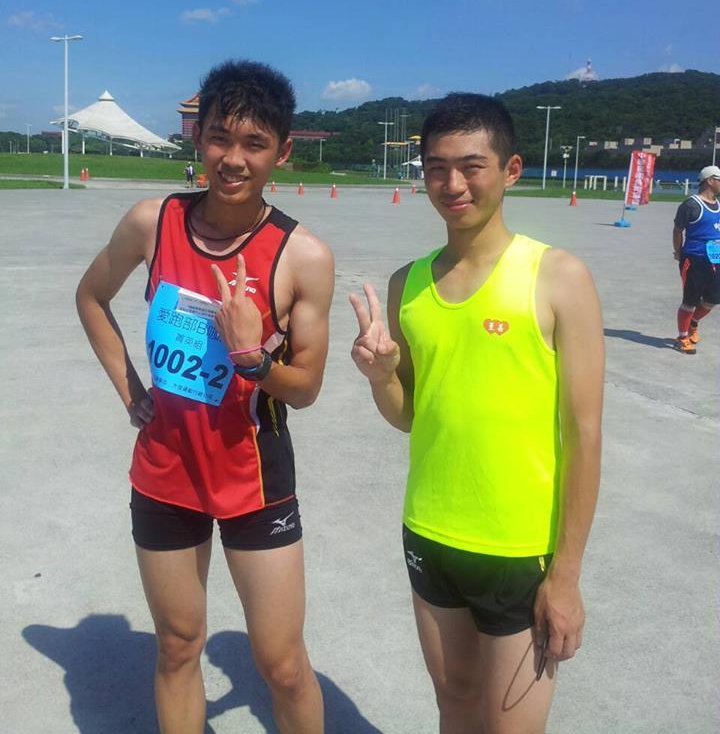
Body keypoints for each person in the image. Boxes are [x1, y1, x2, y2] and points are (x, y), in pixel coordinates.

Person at [76, 60, 333, 734]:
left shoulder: (301, 255)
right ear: (198, 138)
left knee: (282, 664)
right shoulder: (153, 222)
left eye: (254, 144)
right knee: (177, 646)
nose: (233, 158)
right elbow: (91, 296)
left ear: (281, 151)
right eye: (220, 137)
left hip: (255, 478)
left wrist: (253, 359)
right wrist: (130, 389)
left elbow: (306, 387)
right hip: (165, 471)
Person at [350, 93, 603, 734]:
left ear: (511, 169)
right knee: (454, 705)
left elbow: (584, 435)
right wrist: (381, 377)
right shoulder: (407, 284)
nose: (452, 184)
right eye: (436, 168)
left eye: (471, 166)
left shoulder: (558, 277)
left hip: (520, 550)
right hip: (429, 533)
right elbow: (410, 415)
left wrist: (567, 575)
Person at [672, 164, 720, 354]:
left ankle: (693, 322)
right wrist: (678, 252)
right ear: (710, 180)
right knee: (690, 301)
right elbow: (678, 230)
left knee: (712, 299)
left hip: (715, 259)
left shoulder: (718, 204)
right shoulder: (690, 205)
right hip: (694, 259)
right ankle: (682, 337)